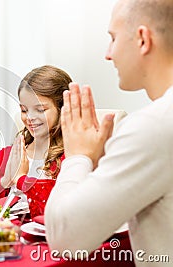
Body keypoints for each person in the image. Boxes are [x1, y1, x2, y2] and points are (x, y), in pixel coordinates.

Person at [45, 0, 173, 265]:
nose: (108, 53)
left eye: (113, 38)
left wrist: (77, 157)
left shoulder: (153, 125)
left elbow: (66, 239)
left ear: (142, 39)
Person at [0, 65, 69, 200]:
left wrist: (21, 179)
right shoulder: (11, 155)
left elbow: (62, 202)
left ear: (63, 108)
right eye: (24, 110)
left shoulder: (71, 157)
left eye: (40, 110)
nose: (30, 117)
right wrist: (4, 181)